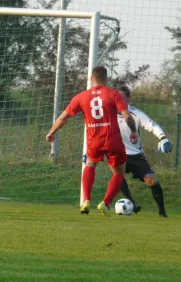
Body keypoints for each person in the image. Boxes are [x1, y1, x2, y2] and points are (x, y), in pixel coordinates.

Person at [45, 66, 139, 217]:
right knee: (119, 173)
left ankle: (86, 200)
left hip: (94, 140)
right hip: (113, 139)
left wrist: (52, 132)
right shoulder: (114, 94)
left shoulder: (81, 97)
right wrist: (134, 131)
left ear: (90, 79)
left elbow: (63, 117)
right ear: (106, 79)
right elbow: (127, 116)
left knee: (90, 164)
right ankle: (105, 203)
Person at [116, 86, 172, 218]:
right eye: (117, 97)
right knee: (117, 177)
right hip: (117, 154)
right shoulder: (108, 115)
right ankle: (132, 203)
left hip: (135, 155)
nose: (119, 100)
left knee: (151, 180)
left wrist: (163, 138)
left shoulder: (136, 114)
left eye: (122, 97)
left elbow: (152, 126)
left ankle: (162, 212)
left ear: (129, 99)